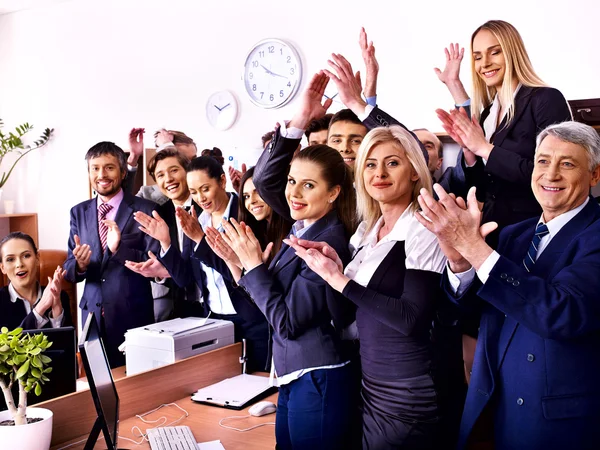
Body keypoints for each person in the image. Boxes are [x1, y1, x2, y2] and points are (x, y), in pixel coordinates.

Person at [416, 121, 600, 450]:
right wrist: (460, 262)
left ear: (595, 175)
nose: (551, 174)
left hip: (557, 425)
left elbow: (562, 312)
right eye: (543, 161)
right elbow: (474, 309)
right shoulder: (516, 234)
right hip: (495, 411)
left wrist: (475, 248)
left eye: (567, 164)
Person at [219, 73, 358, 449]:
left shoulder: (328, 240)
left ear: (333, 193)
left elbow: (288, 322)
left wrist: (254, 266)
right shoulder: (303, 226)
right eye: (293, 181)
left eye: (308, 185)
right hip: (294, 374)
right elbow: (266, 178)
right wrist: (298, 123)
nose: (294, 192)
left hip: (319, 374)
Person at [288, 125, 447, 449]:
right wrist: (332, 272)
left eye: (392, 163)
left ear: (415, 171)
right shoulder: (365, 231)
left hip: (407, 389)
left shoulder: (424, 227)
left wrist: (341, 280)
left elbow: (411, 318)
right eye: (371, 165)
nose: (379, 173)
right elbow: (345, 314)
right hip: (367, 381)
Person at [435, 20, 572, 248]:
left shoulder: (546, 100)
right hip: (494, 231)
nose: (485, 63)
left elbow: (552, 176)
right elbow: (485, 185)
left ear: (512, 53)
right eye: (477, 57)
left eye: (495, 52)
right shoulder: (490, 112)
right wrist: (470, 152)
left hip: (535, 231)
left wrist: (485, 149)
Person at [155, 156, 270, 372]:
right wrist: (165, 242)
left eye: (205, 188)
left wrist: (200, 240)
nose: (200, 198)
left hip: (251, 318)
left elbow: (241, 274)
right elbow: (185, 279)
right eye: (194, 192)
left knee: (256, 383)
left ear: (222, 181)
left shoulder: (245, 213)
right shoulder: (198, 220)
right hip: (214, 320)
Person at [64, 142, 158, 368]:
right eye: (94, 168)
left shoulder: (144, 209)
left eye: (109, 168)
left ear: (123, 171)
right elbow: (69, 267)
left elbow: (156, 263)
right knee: (97, 390)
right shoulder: (79, 211)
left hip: (133, 315)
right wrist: (80, 266)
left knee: (138, 387)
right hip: (92, 317)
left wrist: (119, 250)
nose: (101, 175)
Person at [126, 148, 202, 321]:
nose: (168, 179)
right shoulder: (160, 214)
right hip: (180, 308)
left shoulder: (206, 205)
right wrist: (161, 273)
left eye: (174, 170)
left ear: (187, 171)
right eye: (160, 175)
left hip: (215, 306)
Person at [0, 232, 71, 331]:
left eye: (26, 256)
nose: (19, 264)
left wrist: (57, 314)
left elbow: (70, 345)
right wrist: (40, 309)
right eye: (10, 259)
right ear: (2, 267)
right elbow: (7, 345)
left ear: (37, 258)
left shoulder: (60, 296)